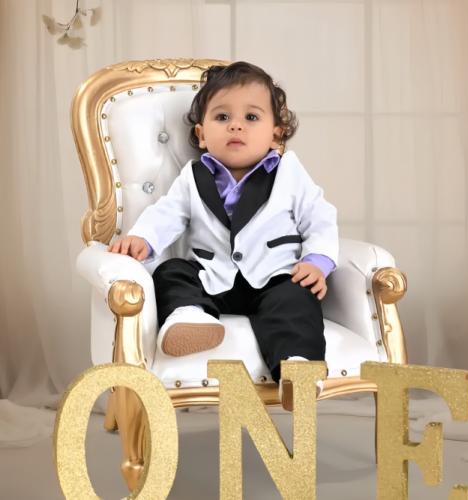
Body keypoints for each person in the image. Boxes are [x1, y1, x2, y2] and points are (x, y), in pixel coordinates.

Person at [108, 61, 339, 410]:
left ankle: (298, 369)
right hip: (214, 277)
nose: (236, 125)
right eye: (222, 117)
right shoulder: (193, 176)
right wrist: (143, 238)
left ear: (276, 134)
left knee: (296, 300)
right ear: (202, 135)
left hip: (275, 275)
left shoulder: (289, 172)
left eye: (251, 117)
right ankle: (190, 316)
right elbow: (167, 213)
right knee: (172, 272)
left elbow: (319, 217)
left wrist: (317, 261)